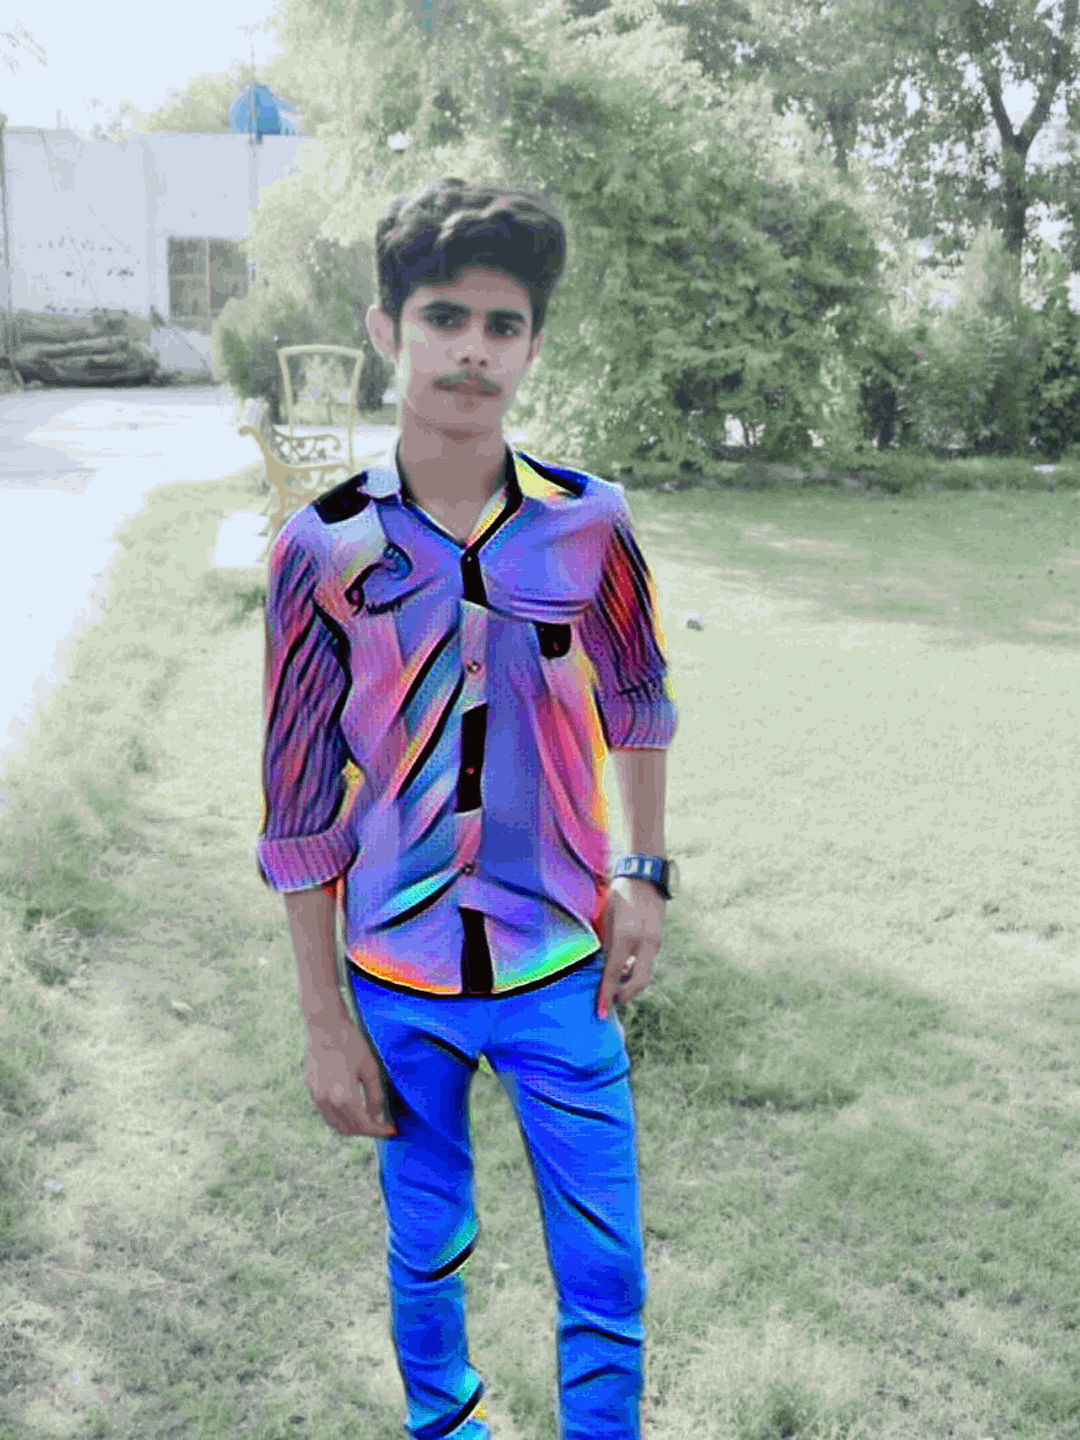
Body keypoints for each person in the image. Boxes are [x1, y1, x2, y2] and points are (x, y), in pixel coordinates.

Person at [255, 177, 680, 1440]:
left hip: (561, 969)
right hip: (399, 977)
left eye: (504, 325)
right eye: (446, 317)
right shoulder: (322, 547)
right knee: (427, 1247)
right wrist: (325, 1022)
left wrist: (645, 871)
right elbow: (296, 805)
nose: (473, 350)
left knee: (606, 1269)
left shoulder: (588, 522)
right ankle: (446, 1425)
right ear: (387, 328)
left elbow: (638, 696)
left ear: (532, 345)